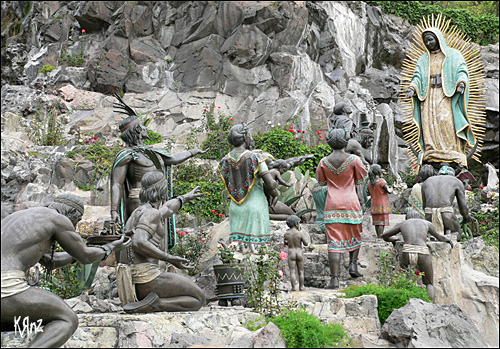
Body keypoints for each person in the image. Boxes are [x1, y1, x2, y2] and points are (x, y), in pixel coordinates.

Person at [1, 194, 130, 347]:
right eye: (77, 221)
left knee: (30, 322)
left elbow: (51, 261)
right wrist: (110, 247)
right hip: (7, 286)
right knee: (67, 318)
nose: (75, 227)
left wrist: (77, 252)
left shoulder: (22, 218)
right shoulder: (57, 219)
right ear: (70, 214)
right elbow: (86, 257)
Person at [116, 171, 206, 313]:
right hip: (147, 279)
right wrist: (169, 258)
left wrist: (184, 198)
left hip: (137, 279)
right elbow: (138, 242)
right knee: (198, 299)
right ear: (163, 190)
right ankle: (153, 305)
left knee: (195, 297)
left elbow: (167, 209)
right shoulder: (151, 213)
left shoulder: (140, 211)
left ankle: (148, 303)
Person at [404, 28, 476, 169]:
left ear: (438, 39)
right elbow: (417, 76)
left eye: (431, 39)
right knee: (429, 123)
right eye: (426, 41)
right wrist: (413, 88)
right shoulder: (423, 59)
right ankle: (432, 151)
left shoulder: (453, 55)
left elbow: (462, 70)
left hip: (445, 94)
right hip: (428, 95)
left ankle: (451, 151)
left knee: (445, 120)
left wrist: (461, 82)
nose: (429, 43)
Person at [316, 128, 368, 289]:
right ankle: (353, 265)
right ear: (346, 141)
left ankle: (334, 279)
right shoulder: (353, 160)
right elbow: (361, 179)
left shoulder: (324, 161)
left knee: (334, 242)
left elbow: (321, 182)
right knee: (355, 233)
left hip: (332, 204)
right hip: (351, 202)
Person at [219, 123, 278, 253]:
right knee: (257, 252)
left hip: (236, 208)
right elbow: (270, 183)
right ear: (246, 137)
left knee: (238, 251)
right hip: (255, 206)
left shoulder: (224, 161)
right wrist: (276, 182)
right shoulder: (256, 158)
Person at [381, 209, 454, 301]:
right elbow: (440, 237)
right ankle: (430, 304)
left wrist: (394, 240)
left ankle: (407, 297)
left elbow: (384, 235)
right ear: (420, 216)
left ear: (407, 217)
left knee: (406, 276)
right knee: (429, 283)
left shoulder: (403, 224)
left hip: (406, 252)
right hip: (422, 252)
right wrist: (449, 241)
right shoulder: (426, 223)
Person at [421, 164, 474, 240]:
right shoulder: (456, 181)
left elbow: (424, 206)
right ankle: (450, 235)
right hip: (446, 216)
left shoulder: (427, 181)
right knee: (456, 232)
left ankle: (433, 235)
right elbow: (463, 207)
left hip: (429, 217)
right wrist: (466, 217)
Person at [284, 215, 311, 291]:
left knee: (292, 271)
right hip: (299, 252)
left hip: (291, 252)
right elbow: (306, 243)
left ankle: (293, 287)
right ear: (296, 224)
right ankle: (301, 286)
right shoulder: (300, 233)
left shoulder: (286, 234)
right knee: (301, 271)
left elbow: (285, 243)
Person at [368, 164, 391, 238]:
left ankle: (378, 235)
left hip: (374, 204)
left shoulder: (370, 182)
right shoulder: (381, 181)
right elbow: (389, 190)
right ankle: (380, 237)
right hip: (382, 203)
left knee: (377, 222)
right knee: (381, 222)